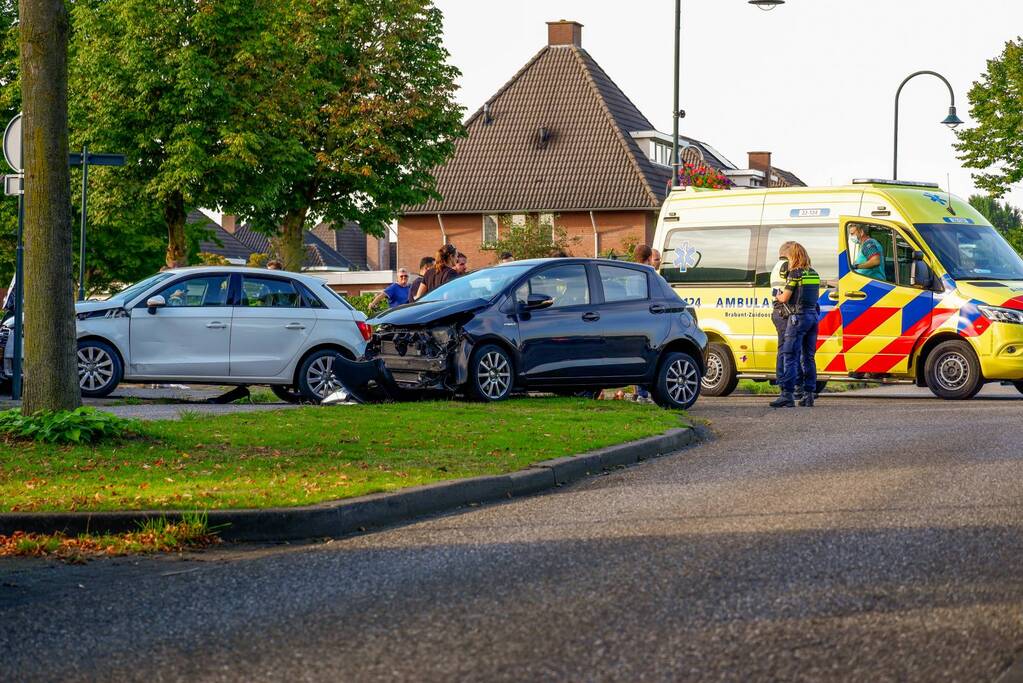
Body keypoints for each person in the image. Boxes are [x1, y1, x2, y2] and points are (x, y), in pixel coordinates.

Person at [771, 241, 821, 408]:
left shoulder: (795, 273)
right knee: (808, 357)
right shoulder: (814, 273)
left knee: (790, 356)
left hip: (798, 317)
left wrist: (777, 297)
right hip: (813, 317)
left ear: (793, 256)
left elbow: (785, 297)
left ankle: (787, 395)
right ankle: (808, 394)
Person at [633, 244, 655, 403]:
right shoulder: (648, 274)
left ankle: (638, 392)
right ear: (649, 258)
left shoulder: (629, 273)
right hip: (646, 319)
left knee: (636, 355)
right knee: (647, 355)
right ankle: (643, 393)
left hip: (632, 319)